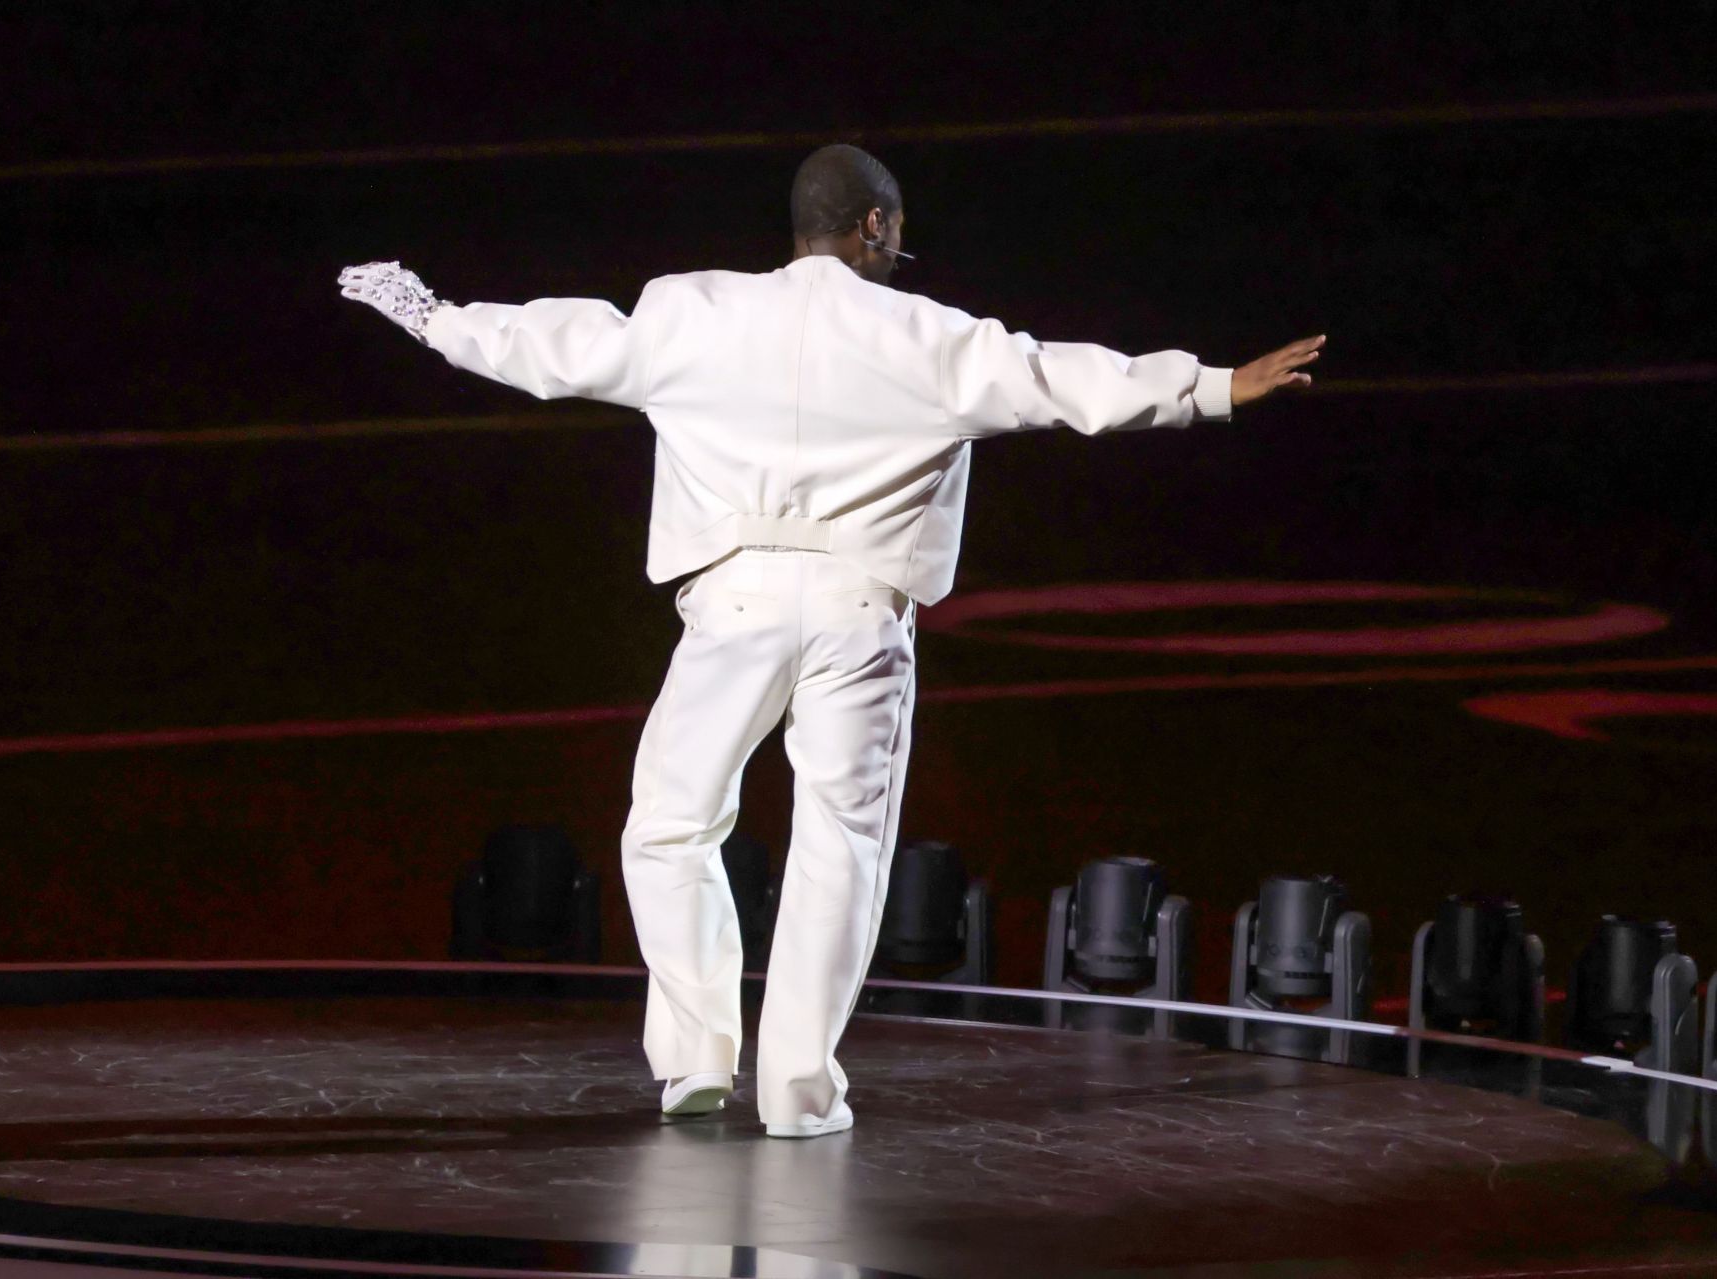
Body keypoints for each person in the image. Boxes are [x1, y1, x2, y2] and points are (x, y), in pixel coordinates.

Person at [338, 143, 1324, 1138]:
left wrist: (433, 317)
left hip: (732, 605)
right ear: (878, 229)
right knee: (839, 848)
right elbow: (1057, 379)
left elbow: (557, 346)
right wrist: (1212, 385)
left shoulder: (695, 314)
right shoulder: (926, 335)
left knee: (669, 824)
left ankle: (694, 1058)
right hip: (859, 611)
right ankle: (799, 1089)